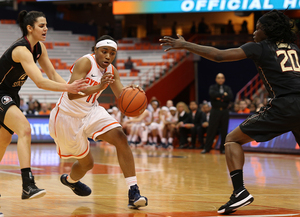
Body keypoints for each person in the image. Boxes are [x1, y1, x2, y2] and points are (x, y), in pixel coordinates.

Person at [160, 9, 299, 214]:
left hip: (285, 105)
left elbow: (218, 55)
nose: (254, 31)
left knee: (232, 139)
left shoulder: (260, 47)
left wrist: (186, 44)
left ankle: (240, 192)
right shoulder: (295, 48)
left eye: (258, 28)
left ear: (267, 31)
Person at [49, 35, 148, 209]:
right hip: (67, 116)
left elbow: (122, 96)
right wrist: (99, 87)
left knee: (120, 138)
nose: (108, 56)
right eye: (104, 52)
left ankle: (133, 191)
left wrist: (134, 92)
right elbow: (72, 93)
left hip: (91, 111)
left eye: (112, 53)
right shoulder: (85, 63)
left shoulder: (111, 70)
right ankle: (70, 180)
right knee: (87, 164)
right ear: (95, 51)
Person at [0, 10, 87, 202]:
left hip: (11, 94)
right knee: (25, 129)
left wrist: (71, 90)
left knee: (3, 143)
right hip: (0, 94)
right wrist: (68, 86)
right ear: (29, 28)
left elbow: (53, 76)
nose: (46, 28)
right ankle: (28, 185)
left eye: (46, 25)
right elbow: (39, 82)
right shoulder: (21, 49)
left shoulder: (39, 48)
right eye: (41, 26)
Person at [201, 73, 233, 154]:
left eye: (222, 78)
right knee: (211, 130)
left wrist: (219, 97)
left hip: (225, 111)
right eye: (219, 78)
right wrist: (223, 95)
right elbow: (212, 95)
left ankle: (223, 149)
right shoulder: (213, 87)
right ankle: (207, 148)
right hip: (215, 111)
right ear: (216, 79)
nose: (220, 79)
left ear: (224, 79)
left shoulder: (227, 88)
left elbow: (230, 97)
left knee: (224, 131)